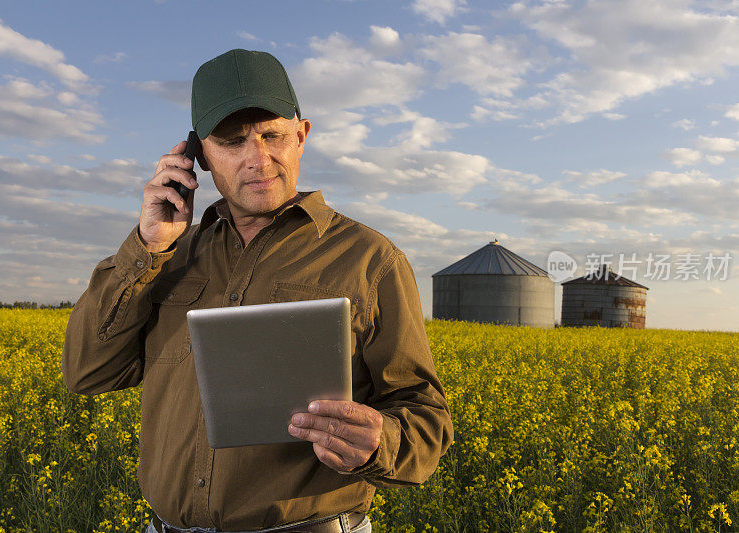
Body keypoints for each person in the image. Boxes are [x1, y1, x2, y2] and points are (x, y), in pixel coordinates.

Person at [62, 48, 453, 533]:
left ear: (302, 136)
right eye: (232, 142)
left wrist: (381, 441)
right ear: (197, 156)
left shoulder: (370, 260)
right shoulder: (166, 256)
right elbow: (85, 373)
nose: (259, 159)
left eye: (273, 135)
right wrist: (148, 246)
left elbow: (426, 415)